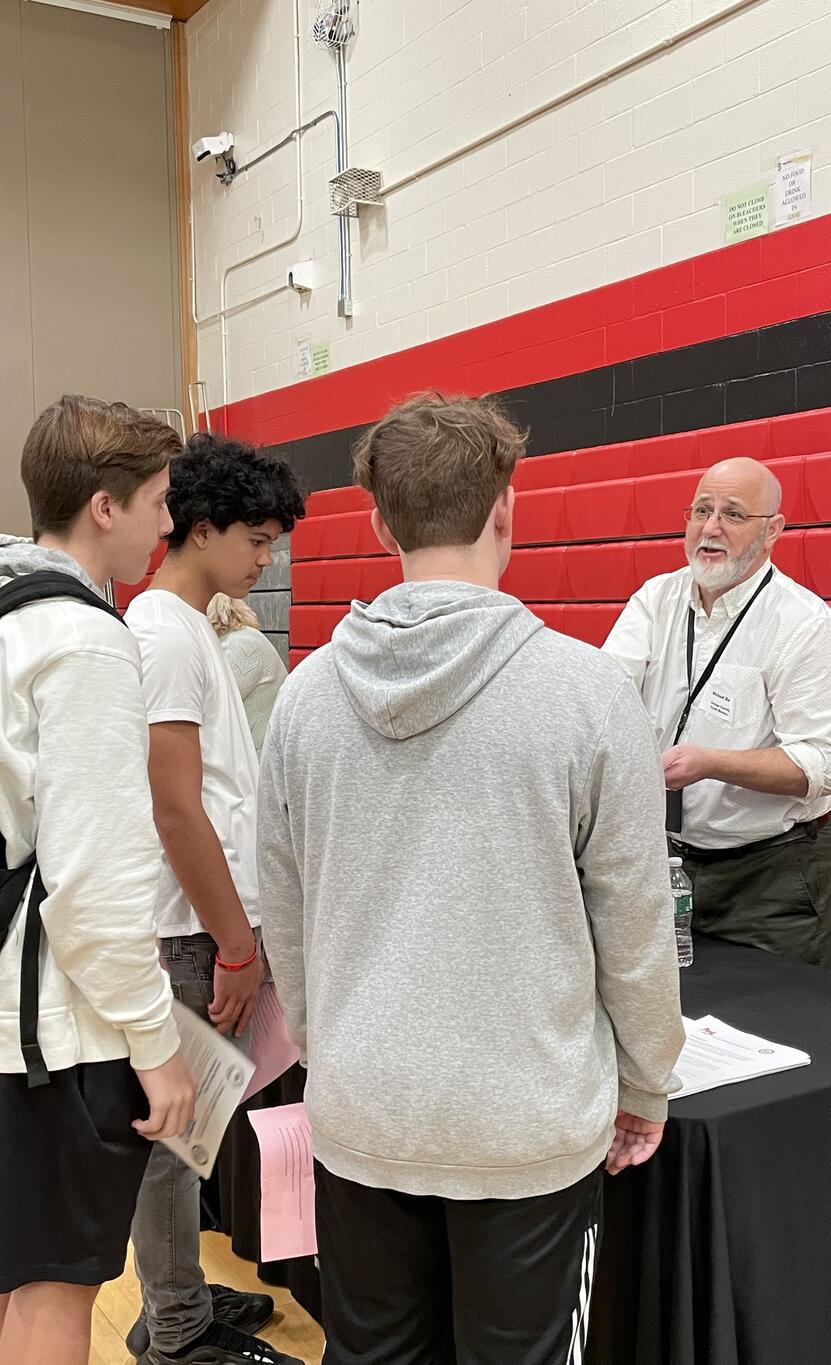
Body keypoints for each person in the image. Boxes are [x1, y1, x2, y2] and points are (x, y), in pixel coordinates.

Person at [259, 393, 684, 1365]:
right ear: (505, 508)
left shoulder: (303, 698)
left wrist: (329, 1043)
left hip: (364, 1105)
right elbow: (634, 919)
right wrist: (646, 1081)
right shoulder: (588, 693)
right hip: (523, 1124)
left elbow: (283, 907)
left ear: (380, 523)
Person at [0, 395, 196, 1365]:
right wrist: (159, 1048)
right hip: (49, 1035)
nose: (168, 523)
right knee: (53, 1292)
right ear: (104, 507)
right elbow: (93, 888)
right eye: (158, 500)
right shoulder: (83, 643)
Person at [124, 432, 305, 1365]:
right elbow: (176, 805)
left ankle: (175, 1298)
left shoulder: (194, 624)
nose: (264, 559)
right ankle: (177, 1334)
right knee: (177, 1139)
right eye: (256, 539)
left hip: (214, 926)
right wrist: (236, 942)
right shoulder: (162, 630)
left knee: (191, 1138)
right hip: (194, 933)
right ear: (201, 529)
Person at [603, 456, 831, 971]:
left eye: (733, 514)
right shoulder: (656, 599)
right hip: (672, 864)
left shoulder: (805, 626)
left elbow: (822, 764)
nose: (711, 527)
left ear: (773, 531)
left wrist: (711, 763)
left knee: (786, 1019)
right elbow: (605, 693)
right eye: (702, 510)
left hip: (776, 878)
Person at [207, 594, 287, 758]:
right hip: (258, 753)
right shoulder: (242, 638)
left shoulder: (240, 646)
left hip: (258, 759)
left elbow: (211, 705)